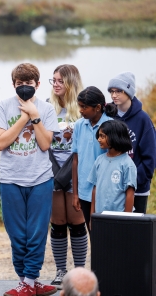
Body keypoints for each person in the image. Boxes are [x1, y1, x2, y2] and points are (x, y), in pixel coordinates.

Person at [0, 63, 59, 296]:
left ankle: (29, 280)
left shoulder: (47, 109)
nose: (24, 87)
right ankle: (26, 281)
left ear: (37, 85)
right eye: (20, 84)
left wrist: (36, 117)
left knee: (37, 232)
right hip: (10, 178)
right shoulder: (2, 107)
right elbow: (0, 143)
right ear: (14, 85)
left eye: (29, 84)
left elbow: (45, 144)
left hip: (40, 178)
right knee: (17, 234)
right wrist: (23, 118)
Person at [47, 65, 88, 288]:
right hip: (52, 171)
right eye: (53, 80)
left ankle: (80, 272)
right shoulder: (47, 107)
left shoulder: (82, 109)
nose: (55, 84)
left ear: (71, 82)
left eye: (60, 81)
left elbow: (85, 145)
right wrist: (54, 169)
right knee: (58, 222)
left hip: (76, 171)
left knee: (77, 222)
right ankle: (61, 271)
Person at [107, 72, 156, 213]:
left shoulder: (143, 120)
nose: (114, 95)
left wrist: (132, 182)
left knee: (135, 230)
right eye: (111, 91)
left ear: (129, 92)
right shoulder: (108, 117)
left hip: (138, 189)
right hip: (112, 186)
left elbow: (150, 158)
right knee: (114, 229)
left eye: (118, 91)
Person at [71, 86, 117, 230]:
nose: (80, 110)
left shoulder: (111, 126)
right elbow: (75, 160)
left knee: (107, 234)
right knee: (93, 234)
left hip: (106, 192)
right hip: (84, 191)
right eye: (80, 106)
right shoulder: (79, 125)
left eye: (84, 107)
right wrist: (76, 194)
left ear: (97, 107)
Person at [88, 120, 137, 216]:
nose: (98, 139)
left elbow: (130, 194)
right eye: (99, 136)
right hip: (100, 216)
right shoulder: (99, 160)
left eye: (102, 136)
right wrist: (92, 215)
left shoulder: (127, 164)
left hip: (118, 219)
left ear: (114, 137)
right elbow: (95, 189)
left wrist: (126, 219)